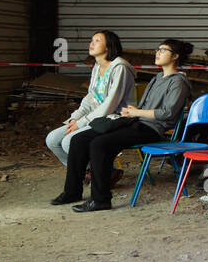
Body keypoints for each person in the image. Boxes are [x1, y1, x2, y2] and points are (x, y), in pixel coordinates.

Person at [53, 39, 194, 212]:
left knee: (99, 144)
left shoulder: (178, 82)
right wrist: (130, 113)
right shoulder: (157, 78)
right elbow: (141, 108)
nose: (157, 53)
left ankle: (101, 199)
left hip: (151, 129)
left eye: (163, 50)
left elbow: (168, 113)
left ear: (175, 56)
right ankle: (72, 191)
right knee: (79, 139)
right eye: (157, 49)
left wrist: (136, 113)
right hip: (135, 122)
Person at [45, 31, 135, 166]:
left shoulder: (120, 68)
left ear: (108, 46)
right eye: (92, 40)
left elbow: (110, 105)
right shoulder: (97, 67)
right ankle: (91, 171)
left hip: (115, 118)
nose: (91, 43)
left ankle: (103, 173)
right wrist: (76, 117)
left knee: (68, 142)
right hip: (95, 118)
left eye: (97, 40)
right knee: (52, 139)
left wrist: (82, 123)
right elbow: (91, 97)